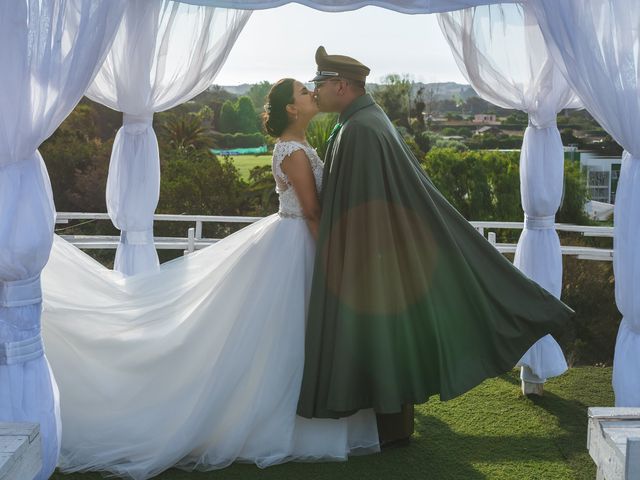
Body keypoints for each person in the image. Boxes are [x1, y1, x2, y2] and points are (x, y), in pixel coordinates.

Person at [40, 78, 379, 480]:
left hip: (287, 242)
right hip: (295, 244)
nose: (312, 95)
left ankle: (292, 415)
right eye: (305, 93)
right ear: (292, 108)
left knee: (282, 336)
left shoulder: (302, 147)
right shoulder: (294, 153)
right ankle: (282, 423)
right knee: (285, 335)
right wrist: (335, 257)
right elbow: (311, 212)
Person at [296, 47, 574, 447]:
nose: (315, 90)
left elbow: (361, 208)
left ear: (341, 85)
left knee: (383, 339)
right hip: (383, 257)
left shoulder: (360, 130)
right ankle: (391, 428)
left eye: (319, 84)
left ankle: (390, 432)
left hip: (373, 261)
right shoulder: (363, 123)